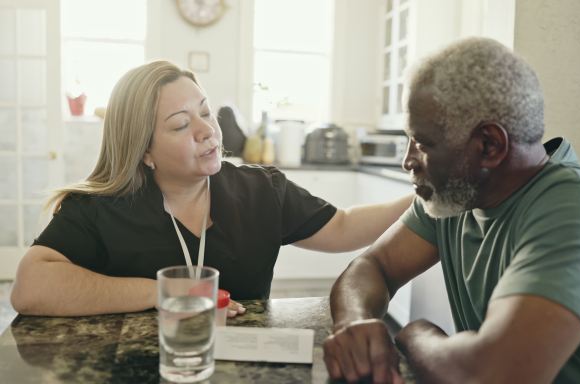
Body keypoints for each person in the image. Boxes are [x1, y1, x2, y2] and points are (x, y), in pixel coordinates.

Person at [323, 37, 580, 383]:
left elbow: (490, 374)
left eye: (423, 143)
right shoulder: (457, 197)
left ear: (489, 145)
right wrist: (355, 322)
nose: (407, 161)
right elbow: (373, 266)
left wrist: (414, 334)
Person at [10, 60, 413, 317]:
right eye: (181, 124)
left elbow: (343, 226)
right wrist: (162, 292)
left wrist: (425, 199)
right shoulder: (100, 207)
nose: (208, 131)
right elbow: (30, 288)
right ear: (144, 151)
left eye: (205, 112)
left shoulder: (261, 190)